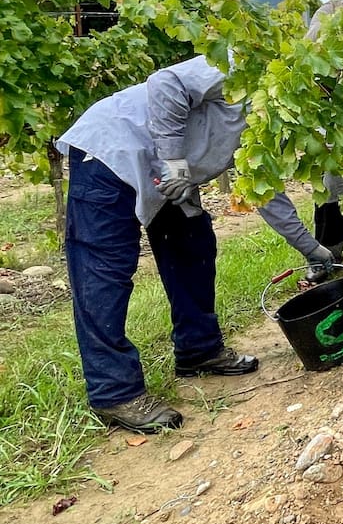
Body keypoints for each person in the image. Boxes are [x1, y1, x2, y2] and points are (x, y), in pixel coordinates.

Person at [57, 55, 263, 433]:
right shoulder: (250, 61)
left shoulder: (278, 113)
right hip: (112, 151)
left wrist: (312, 250)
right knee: (104, 271)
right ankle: (115, 392)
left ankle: (198, 350)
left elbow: (267, 190)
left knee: (193, 245)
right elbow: (166, 84)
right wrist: (176, 164)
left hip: (163, 172)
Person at [257, 0, 343, 284]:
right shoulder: (329, 13)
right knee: (334, 190)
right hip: (336, 120)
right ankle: (327, 259)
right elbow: (311, 62)